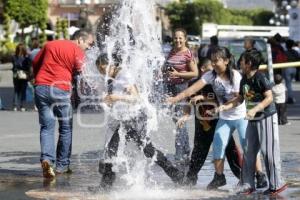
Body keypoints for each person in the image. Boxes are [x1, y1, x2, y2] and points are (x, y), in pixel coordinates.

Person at [95, 54, 184, 189]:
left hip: (135, 119)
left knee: (115, 149)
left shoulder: (124, 75)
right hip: (127, 119)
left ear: (110, 65)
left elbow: (136, 98)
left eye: (102, 70)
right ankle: (175, 174)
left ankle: (105, 186)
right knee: (144, 149)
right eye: (100, 71)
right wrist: (110, 102)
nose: (102, 74)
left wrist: (115, 97)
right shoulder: (114, 78)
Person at [167, 47, 248, 190]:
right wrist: (176, 101)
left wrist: (205, 98)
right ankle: (195, 179)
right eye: (211, 63)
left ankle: (247, 178)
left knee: (236, 151)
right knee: (200, 153)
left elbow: (237, 98)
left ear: (226, 61)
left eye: (216, 62)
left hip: (224, 119)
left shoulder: (232, 76)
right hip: (204, 124)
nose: (213, 66)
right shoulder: (208, 78)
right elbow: (189, 94)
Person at [223, 49, 287, 195]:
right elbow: (240, 98)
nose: (240, 63)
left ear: (249, 63)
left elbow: (269, 97)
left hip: (266, 117)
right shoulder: (244, 79)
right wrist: (225, 106)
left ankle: (276, 184)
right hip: (252, 118)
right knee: (249, 151)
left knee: (268, 152)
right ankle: (247, 184)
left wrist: (255, 109)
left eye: (242, 60)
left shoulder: (260, 77)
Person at [32, 30, 94, 179]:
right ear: (80, 40)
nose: (89, 47)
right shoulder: (77, 50)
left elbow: (35, 62)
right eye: (88, 44)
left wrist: (37, 78)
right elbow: (83, 73)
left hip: (41, 87)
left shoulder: (50, 44)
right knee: (65, 128)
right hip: (60, 88)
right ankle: (62, 166)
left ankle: (47, 160)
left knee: (47, 127)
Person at [163, 28, 198, 163]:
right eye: (175, 38)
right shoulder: (172, 52)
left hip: (182, 89)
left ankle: (179, 153)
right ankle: (186, 149)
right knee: (178, 121)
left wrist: (178, 74)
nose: (177, 40)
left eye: (180, 38)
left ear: (185, 39)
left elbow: (194, 73)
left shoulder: (188, 54)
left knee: (179, 120)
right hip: (169, 88)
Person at [12, 43, 31, 111]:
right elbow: (28, 67)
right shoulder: (26, 58)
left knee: (16, 91)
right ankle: (22, 106)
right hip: (23, 75)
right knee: (23, 91)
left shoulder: (14, 57)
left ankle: (15, 106)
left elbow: (14, 66)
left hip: (16, 75)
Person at [283, 39, 299, 104]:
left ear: (286, 45)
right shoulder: (295, 52)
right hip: (294, 69)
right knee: (290, 84)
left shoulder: (285, 52)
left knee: (288, 84)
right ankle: (290, 97)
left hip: (287, 69)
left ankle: (290, 98)